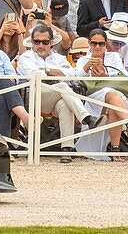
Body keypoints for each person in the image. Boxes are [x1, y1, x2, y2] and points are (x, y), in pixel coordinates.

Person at [18, 23, 94, 162]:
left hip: (54, 96)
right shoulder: (26, 57)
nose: (40, 45)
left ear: (51, 43)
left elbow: (73, 74)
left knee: (65, 104)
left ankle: (66, 149)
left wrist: (48, 70)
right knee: (64, 87)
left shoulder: (59, 58)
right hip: (32, 97)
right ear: (32, 42)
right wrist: (52, 71)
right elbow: (37, 75)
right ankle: (87, 118)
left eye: (45, 42)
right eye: (37, 42)